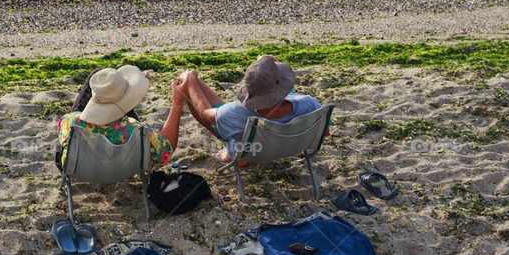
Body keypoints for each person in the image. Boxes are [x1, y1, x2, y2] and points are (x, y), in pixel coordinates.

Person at [177, 55, 321, 164]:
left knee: (222, 115)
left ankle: (233, 153)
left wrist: (190, 82)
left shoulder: (234, 113)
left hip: (251, 151)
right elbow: (324, 133)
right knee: (228, 115)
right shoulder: (309, 103)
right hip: (291, 145)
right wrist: (264, 63)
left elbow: (204, 112)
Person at [56, 65, 184, 167]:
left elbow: (63, 134)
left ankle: (109, 91)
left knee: (96, 73)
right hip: (124, 168)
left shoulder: (70, 122)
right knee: (110, 87)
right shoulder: (136, 130)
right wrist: (177, 103)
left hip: (79, 169)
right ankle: (120, 89)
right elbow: (166, 152)